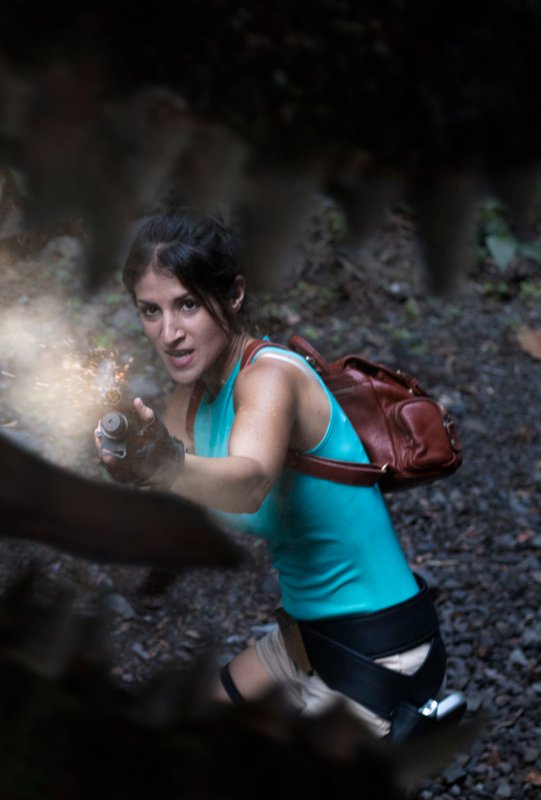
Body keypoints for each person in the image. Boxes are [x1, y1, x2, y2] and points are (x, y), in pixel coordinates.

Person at [94, 209, 456, 741]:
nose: (169, 333)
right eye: (151, 311)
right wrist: (128, 459)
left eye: (187, 305)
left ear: (234, 295)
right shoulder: (190, 399)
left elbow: (247, 482)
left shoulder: (270, 378)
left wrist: (163, 464)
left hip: (381, 653)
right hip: (305, 643)